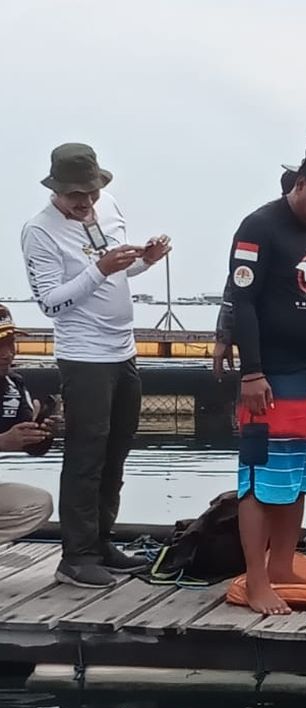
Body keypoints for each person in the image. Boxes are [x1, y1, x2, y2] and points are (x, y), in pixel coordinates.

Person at [21, 143, 171, 588]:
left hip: (123, 349)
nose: (85, 205)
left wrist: (144, 259)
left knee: (117, 450)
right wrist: (101, 269)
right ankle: (76, 555)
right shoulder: (39, 231)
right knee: (87, 454)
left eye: (91, 195)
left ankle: (102, 541)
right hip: (83, 354)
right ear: (56, 191)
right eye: (75, 198)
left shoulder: (109, 209)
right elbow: (51, 302)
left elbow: (119, 275)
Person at [215, 129, 306, 561]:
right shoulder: (259, 227)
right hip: (271, 375)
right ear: (300, 184)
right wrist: (252, 372)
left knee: (302, 477)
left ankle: (282, 567)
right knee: (262, 480)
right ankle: (258, 576)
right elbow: (243, 301)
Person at [0, 305, 56, 543]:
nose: (7, 353)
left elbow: (33, 447)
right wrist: (2, 442)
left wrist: (43, 429)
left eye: (11, 343)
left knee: (37, 504)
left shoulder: (14, 384)